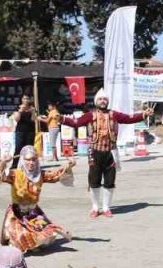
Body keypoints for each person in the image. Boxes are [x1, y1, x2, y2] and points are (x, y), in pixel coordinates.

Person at [60, 88, 152, 218]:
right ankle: (95, 207)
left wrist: (144, 114)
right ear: (96, 101)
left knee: (110, 181)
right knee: (94, 181)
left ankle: (106, 207)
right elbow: (76, 123)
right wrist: (61, 118)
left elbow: (129, 118)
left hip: (110, 152)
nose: (103, 101)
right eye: (100, 99)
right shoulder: (90, 115)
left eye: (105, 99)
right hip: (94, 152)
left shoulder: (114, 115)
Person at [0, 146, 75, 252]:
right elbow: (0, 176)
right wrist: (3, 162)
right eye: (28, 160)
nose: (31, 163)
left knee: (49, 235)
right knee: (19, 238)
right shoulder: (15, 174)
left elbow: (55, 175)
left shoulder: (40, 175)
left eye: (33, 159)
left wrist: (69, 164)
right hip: (17, 213)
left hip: (34, 213)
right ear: (22, 160)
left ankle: (34, 242)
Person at [10, 95, 37, 168]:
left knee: (29, 149)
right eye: (24, 98)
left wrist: (33, 112)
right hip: (20, 131)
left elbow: (33, 119)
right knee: (18, 148)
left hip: (30, 131)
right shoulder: (18, 108)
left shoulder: (32, 108)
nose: (26, 100)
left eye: (27, 99)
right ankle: (15, 165)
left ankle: (28, 165)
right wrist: (20, 111)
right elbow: (16, 119)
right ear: (22, 99)